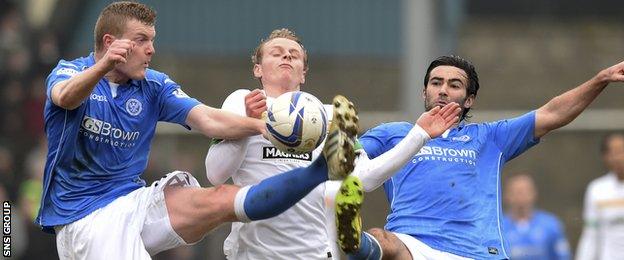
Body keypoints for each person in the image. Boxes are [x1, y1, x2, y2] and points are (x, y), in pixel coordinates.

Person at [36, 2, 360, 259]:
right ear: (111, 43)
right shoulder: (69, 72)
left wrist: (264, 127)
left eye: (152, 40)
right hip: (84, 217)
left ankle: (319, 171)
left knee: (221, 199)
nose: (150, 50)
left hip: (132, 201)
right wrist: (104, 66)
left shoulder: (154, 86)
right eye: (141, 41)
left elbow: (209, 119)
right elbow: (64, 98)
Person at [205, 28, 462, 259]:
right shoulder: (242, 101)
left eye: (294, 55)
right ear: (258, 69)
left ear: (303, 73)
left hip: (316, 253)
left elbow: (365, 178)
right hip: (254, 253)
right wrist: (247, 126)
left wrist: (420, 134)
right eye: (277, 53)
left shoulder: (330, 114)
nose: (286, 57)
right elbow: (216, 174)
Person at [338, 55, 624, 259]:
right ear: (424, 91)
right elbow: (345, 161)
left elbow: (552, 114)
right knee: (382, 240)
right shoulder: (393, 133)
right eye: (436, 83)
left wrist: (601, 79)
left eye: (454, 85)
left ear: (469, 99)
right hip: (413, 244)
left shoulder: (490, 137)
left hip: (477, 250)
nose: (443, 90)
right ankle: (354, 244)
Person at [576, 133, 624, 260]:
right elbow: (590, 235)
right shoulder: (596, 190)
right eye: (614, 152)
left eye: (621, 151)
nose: (619, 157)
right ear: (606, 157)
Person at [502, 172, 571, 260]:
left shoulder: (551, 224)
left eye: (525, 191)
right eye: (516, 192)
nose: (520, 197)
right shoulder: (498, 228)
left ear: (534, 193)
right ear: (506, 195)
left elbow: (563, 256)